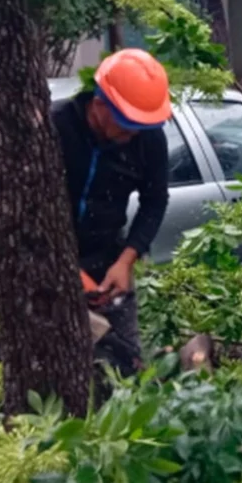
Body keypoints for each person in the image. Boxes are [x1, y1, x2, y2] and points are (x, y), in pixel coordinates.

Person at [51, 48, 172, 373]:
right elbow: (28, 209)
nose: (132, 133)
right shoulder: (56, 128)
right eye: (127, 123)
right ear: (101, 103)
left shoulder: (148, 140)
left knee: (127, 365)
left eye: (140, 126)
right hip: (47, 267)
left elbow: (155, 201)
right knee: (63, 370)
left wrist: (125, 261)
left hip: (107, 265)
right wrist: (65, 269)